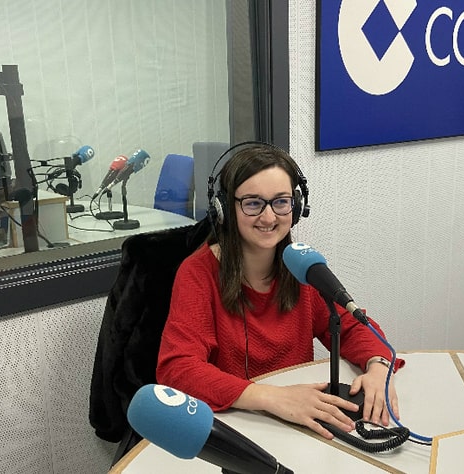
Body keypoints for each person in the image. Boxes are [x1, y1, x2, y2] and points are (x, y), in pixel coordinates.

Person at [156, 144, 404, 440]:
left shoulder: (302, 266)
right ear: (224, 209)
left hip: (299, 424)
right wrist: (272, 398)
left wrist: (378, 367)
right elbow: (178, 369)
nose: (269, 217)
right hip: (239, 425)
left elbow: (350, 326)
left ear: (296, 207)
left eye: (280, 202)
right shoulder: (197, 273)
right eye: (252, 203)